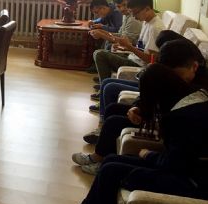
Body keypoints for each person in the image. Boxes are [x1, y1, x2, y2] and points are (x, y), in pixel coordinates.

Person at [48, 63, 208, 204]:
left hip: (192, 182)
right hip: (186, 170)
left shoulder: (186, 118)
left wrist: (148, 155)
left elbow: (175, 165)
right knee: (110, 160)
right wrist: (141, 110)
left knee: (111, 171)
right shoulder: (192, 96)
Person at [73, 38, 208, 175]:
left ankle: (98, 158)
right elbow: (152, 91)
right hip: (161, 114)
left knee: (114, 122)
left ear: (194, 67)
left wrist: (149, 152)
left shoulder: (200, 89)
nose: (172, 80)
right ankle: (103, 152)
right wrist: (137, 107)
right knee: (113, 109)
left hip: (169, 123)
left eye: (177, 76)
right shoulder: (172, 72)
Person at [92, 0, 165, 81]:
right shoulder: (147, 22)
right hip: (133, 57)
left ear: (147, 9)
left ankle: (105, 83)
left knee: (100, 54)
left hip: (138, 64)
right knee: (99, 52)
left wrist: (129, 47)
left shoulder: (155, 28)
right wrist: (126, 48)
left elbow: (150, 60)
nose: (134, 16)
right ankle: (105, 82)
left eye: (136, 13)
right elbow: (142, 47)